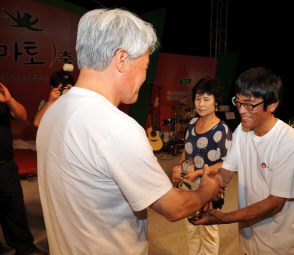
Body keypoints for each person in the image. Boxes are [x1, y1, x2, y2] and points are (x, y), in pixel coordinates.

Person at [36, 8, 223, 255]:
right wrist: (205, 192)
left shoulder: (52, 112)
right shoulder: (117, 128)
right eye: (145, 66)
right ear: (122, 60)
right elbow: (173, 208)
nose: (145, 77)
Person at [191, 67, 294, 255]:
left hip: (282, 245)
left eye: (249, 105)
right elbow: (226, 172)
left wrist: (223, 218)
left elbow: (275, 203)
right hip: (251, 239)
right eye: (238, 103)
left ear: (272, 105)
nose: (241, 110)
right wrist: (206, 192)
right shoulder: (242, 131)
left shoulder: (290, 143)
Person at [171, 78, 232, 255]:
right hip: (188, 186)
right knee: (191, 230)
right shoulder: (192, 124)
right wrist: (178, 167)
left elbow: (227, 163)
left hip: (209, 188)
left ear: (216, 102)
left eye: (206, 99)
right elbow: (187, 152)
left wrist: (197, 172)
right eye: (198, 99)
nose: (201, 104)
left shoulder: (222, 130)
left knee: (208, 233)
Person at [0, 82, 44, 255]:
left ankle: (24, 247)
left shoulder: (3, 92)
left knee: (14, 208)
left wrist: (9, 100)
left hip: (5, 165)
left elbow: (22, 115)